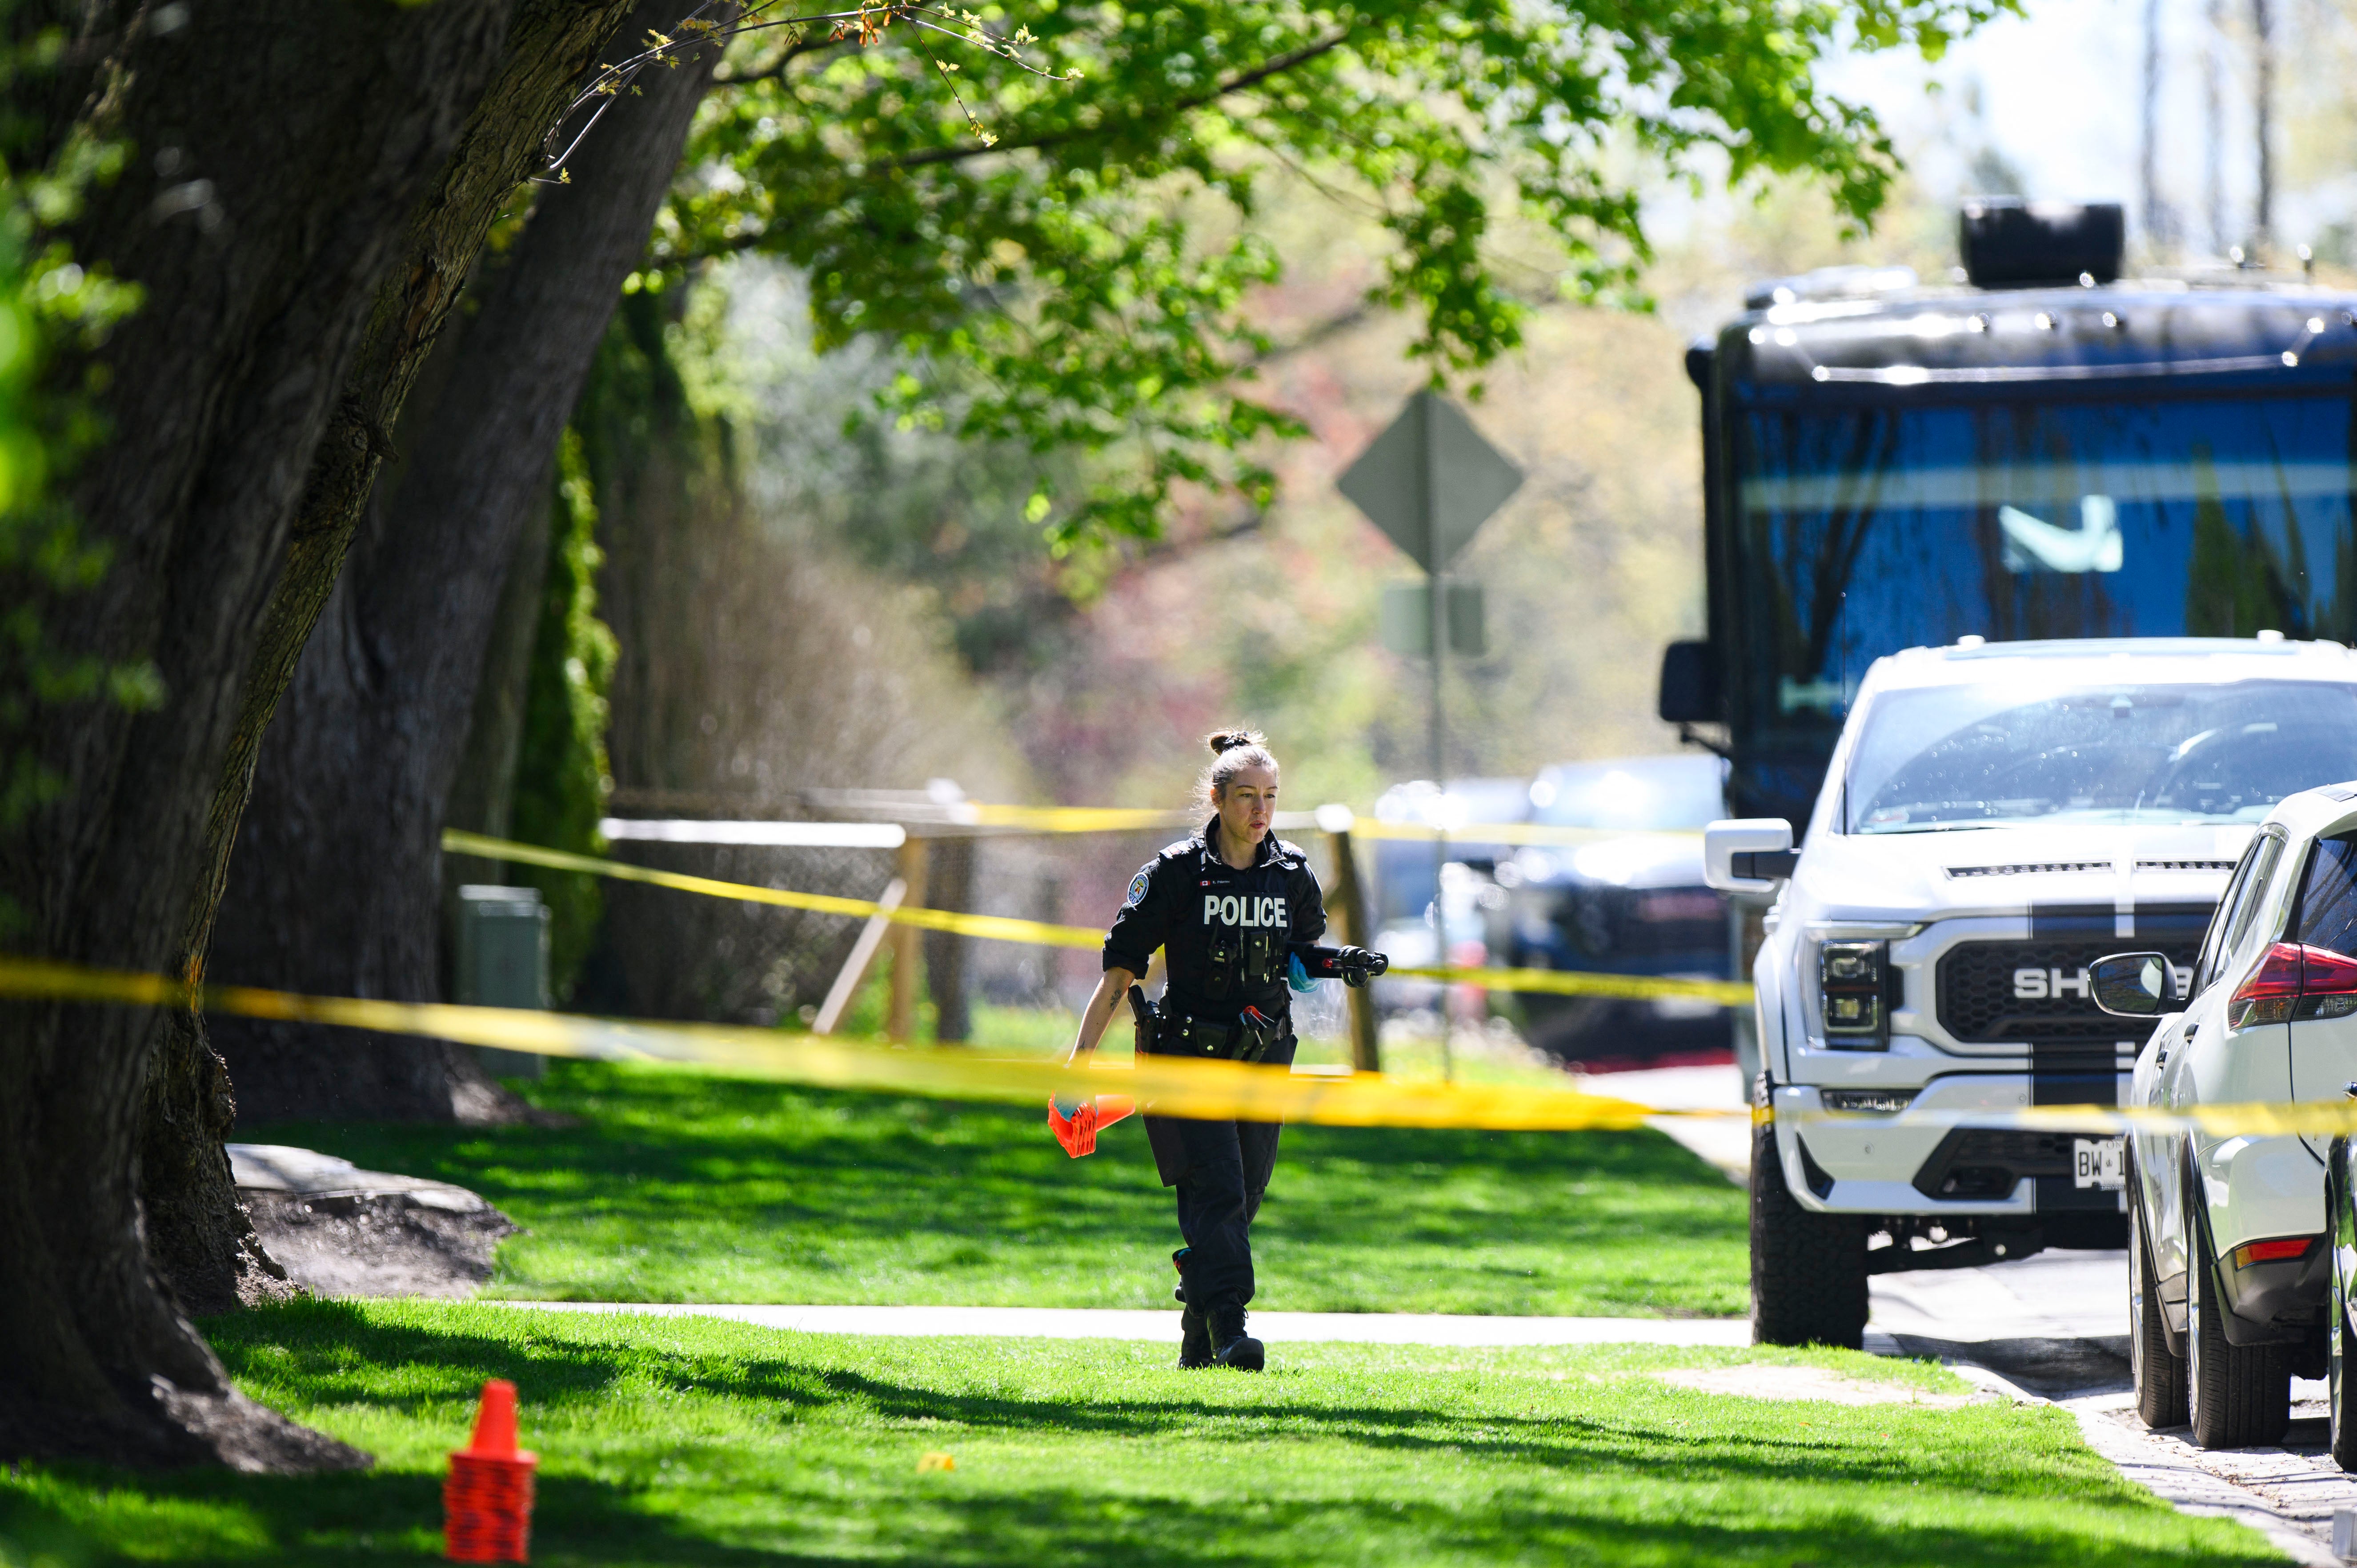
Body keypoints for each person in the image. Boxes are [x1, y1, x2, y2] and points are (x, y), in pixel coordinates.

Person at [1065, 728, 1383, 1371]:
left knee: (1245, 1195)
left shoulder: (1289, 873)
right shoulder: (1175, 874)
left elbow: (1296, 954)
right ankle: (1233, 1327)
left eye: (1269, 797)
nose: (1259, 811)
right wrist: (1077, 1068)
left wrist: (1337, 963)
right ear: (1216, 798)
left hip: (1264, 1058)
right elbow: (1119, 976)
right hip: (1189, 1061)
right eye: (1245, 797)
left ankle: (1198, 1327)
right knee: (1218, 1192)